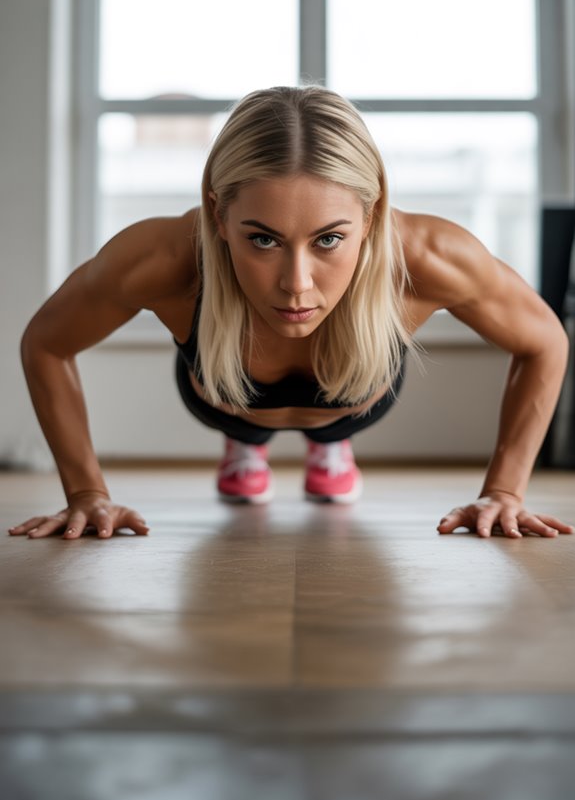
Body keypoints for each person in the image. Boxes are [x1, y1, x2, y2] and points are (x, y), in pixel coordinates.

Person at [8, 86, 573, 542]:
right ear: (219, 215)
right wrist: (86, 494)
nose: (296, 284)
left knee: (339, 403)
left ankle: (330, 444)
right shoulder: (164, 258)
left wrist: (504, 492)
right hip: (226, 403)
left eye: (328, 240)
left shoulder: (428, 257)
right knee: (241, 418)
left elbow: (544, 341)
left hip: (353, 405)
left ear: (371, 216)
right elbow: (46, 344)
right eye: (263, 239)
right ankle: (247, 443)